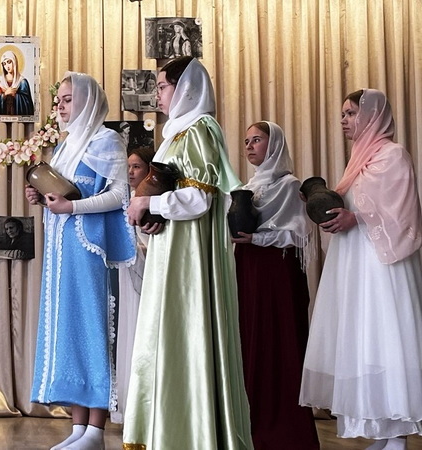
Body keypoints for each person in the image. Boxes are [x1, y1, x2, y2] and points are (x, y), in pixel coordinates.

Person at [123, 56, 253, 449]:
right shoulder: (176, 133)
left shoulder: (199, 129)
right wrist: (153, 216)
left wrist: (149, 204)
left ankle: (192, 435)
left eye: (163, 87)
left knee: (186, 334)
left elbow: (199, 199)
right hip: (172, 250)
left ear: (186, 88)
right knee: (166, 339)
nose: (158, 96)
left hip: (190, 259)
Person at [300, 89, 422, 450]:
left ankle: (397, 435)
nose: (344, 120)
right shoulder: (358, 160)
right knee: (364, 344)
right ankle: (381, 432)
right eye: (343, 114)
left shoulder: (394, 155)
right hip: (357, 265)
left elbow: (404, 213)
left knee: (386, 340)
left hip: (383, 267)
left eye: (351, 113)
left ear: (372, 116)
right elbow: (351, 204)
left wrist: (357, 217)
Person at [25, 72, 136, 450]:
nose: (60, 106)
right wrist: (43, 198)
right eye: (59, 99)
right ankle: (78, 428)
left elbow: (119, 195)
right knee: (69, 330)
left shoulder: (107, 140)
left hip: (90, 250)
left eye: (68, 99)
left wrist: (71, 207)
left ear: (88, 101)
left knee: (92, 329)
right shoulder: (64, 147)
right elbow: (63, 196)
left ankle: (96, 431)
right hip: (61, 252)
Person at [231, 121, 319, 449]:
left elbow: (297, 234)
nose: (249, 146)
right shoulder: (247, 187)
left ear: (275, 144)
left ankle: (285, 429)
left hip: (277, 272)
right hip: (249, 266)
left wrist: (257, 238)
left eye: (257, 140)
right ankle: (251, 421)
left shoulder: (289, 185)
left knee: (279, 340)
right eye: (246, 141)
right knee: (250, 337)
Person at [110, 145, 155, 426]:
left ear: (149, 170)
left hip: (148, 273)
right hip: (128, 273)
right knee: (128, 329)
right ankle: (129, 404)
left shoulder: (152, 199)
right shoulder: (125, 198)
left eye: (136, 166)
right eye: (127, 167)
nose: (130, 172)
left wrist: (139, 246)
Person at [0, 50, 34, 116]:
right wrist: (4, 94)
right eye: (4, 64)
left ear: (14, 62)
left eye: (9, 62)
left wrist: (15, 95)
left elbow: (28, 106)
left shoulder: (22, 82)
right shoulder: (0, 83)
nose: (7, 66)